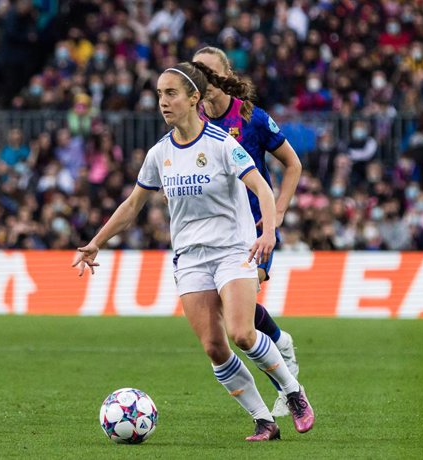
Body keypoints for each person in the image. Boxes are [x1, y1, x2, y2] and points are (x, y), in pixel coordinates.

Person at [73, 63, 314, 441]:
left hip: (234, 250)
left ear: (193, 99)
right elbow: (133, 205)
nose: (163, 102)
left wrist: (268, 231)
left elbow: (263, 189)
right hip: (190, 259)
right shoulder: (160, 153)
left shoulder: (222, 144)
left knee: (242, 334)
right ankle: (264, 420)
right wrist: (96, 242)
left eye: (170, 94)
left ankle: (293, 392)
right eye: (158, 94)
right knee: (215, 348)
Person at [192, 46, 305, 419]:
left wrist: (280, 211)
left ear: (225, 74)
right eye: (197, 71)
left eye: (209, 71)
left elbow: (292, 164)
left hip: (254, 231)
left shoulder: (251, 118)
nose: (202, 77)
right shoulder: (192, 121)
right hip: (215, 234)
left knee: (239, 320)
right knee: (231, 310)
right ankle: (280, 341)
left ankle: (288, 388)